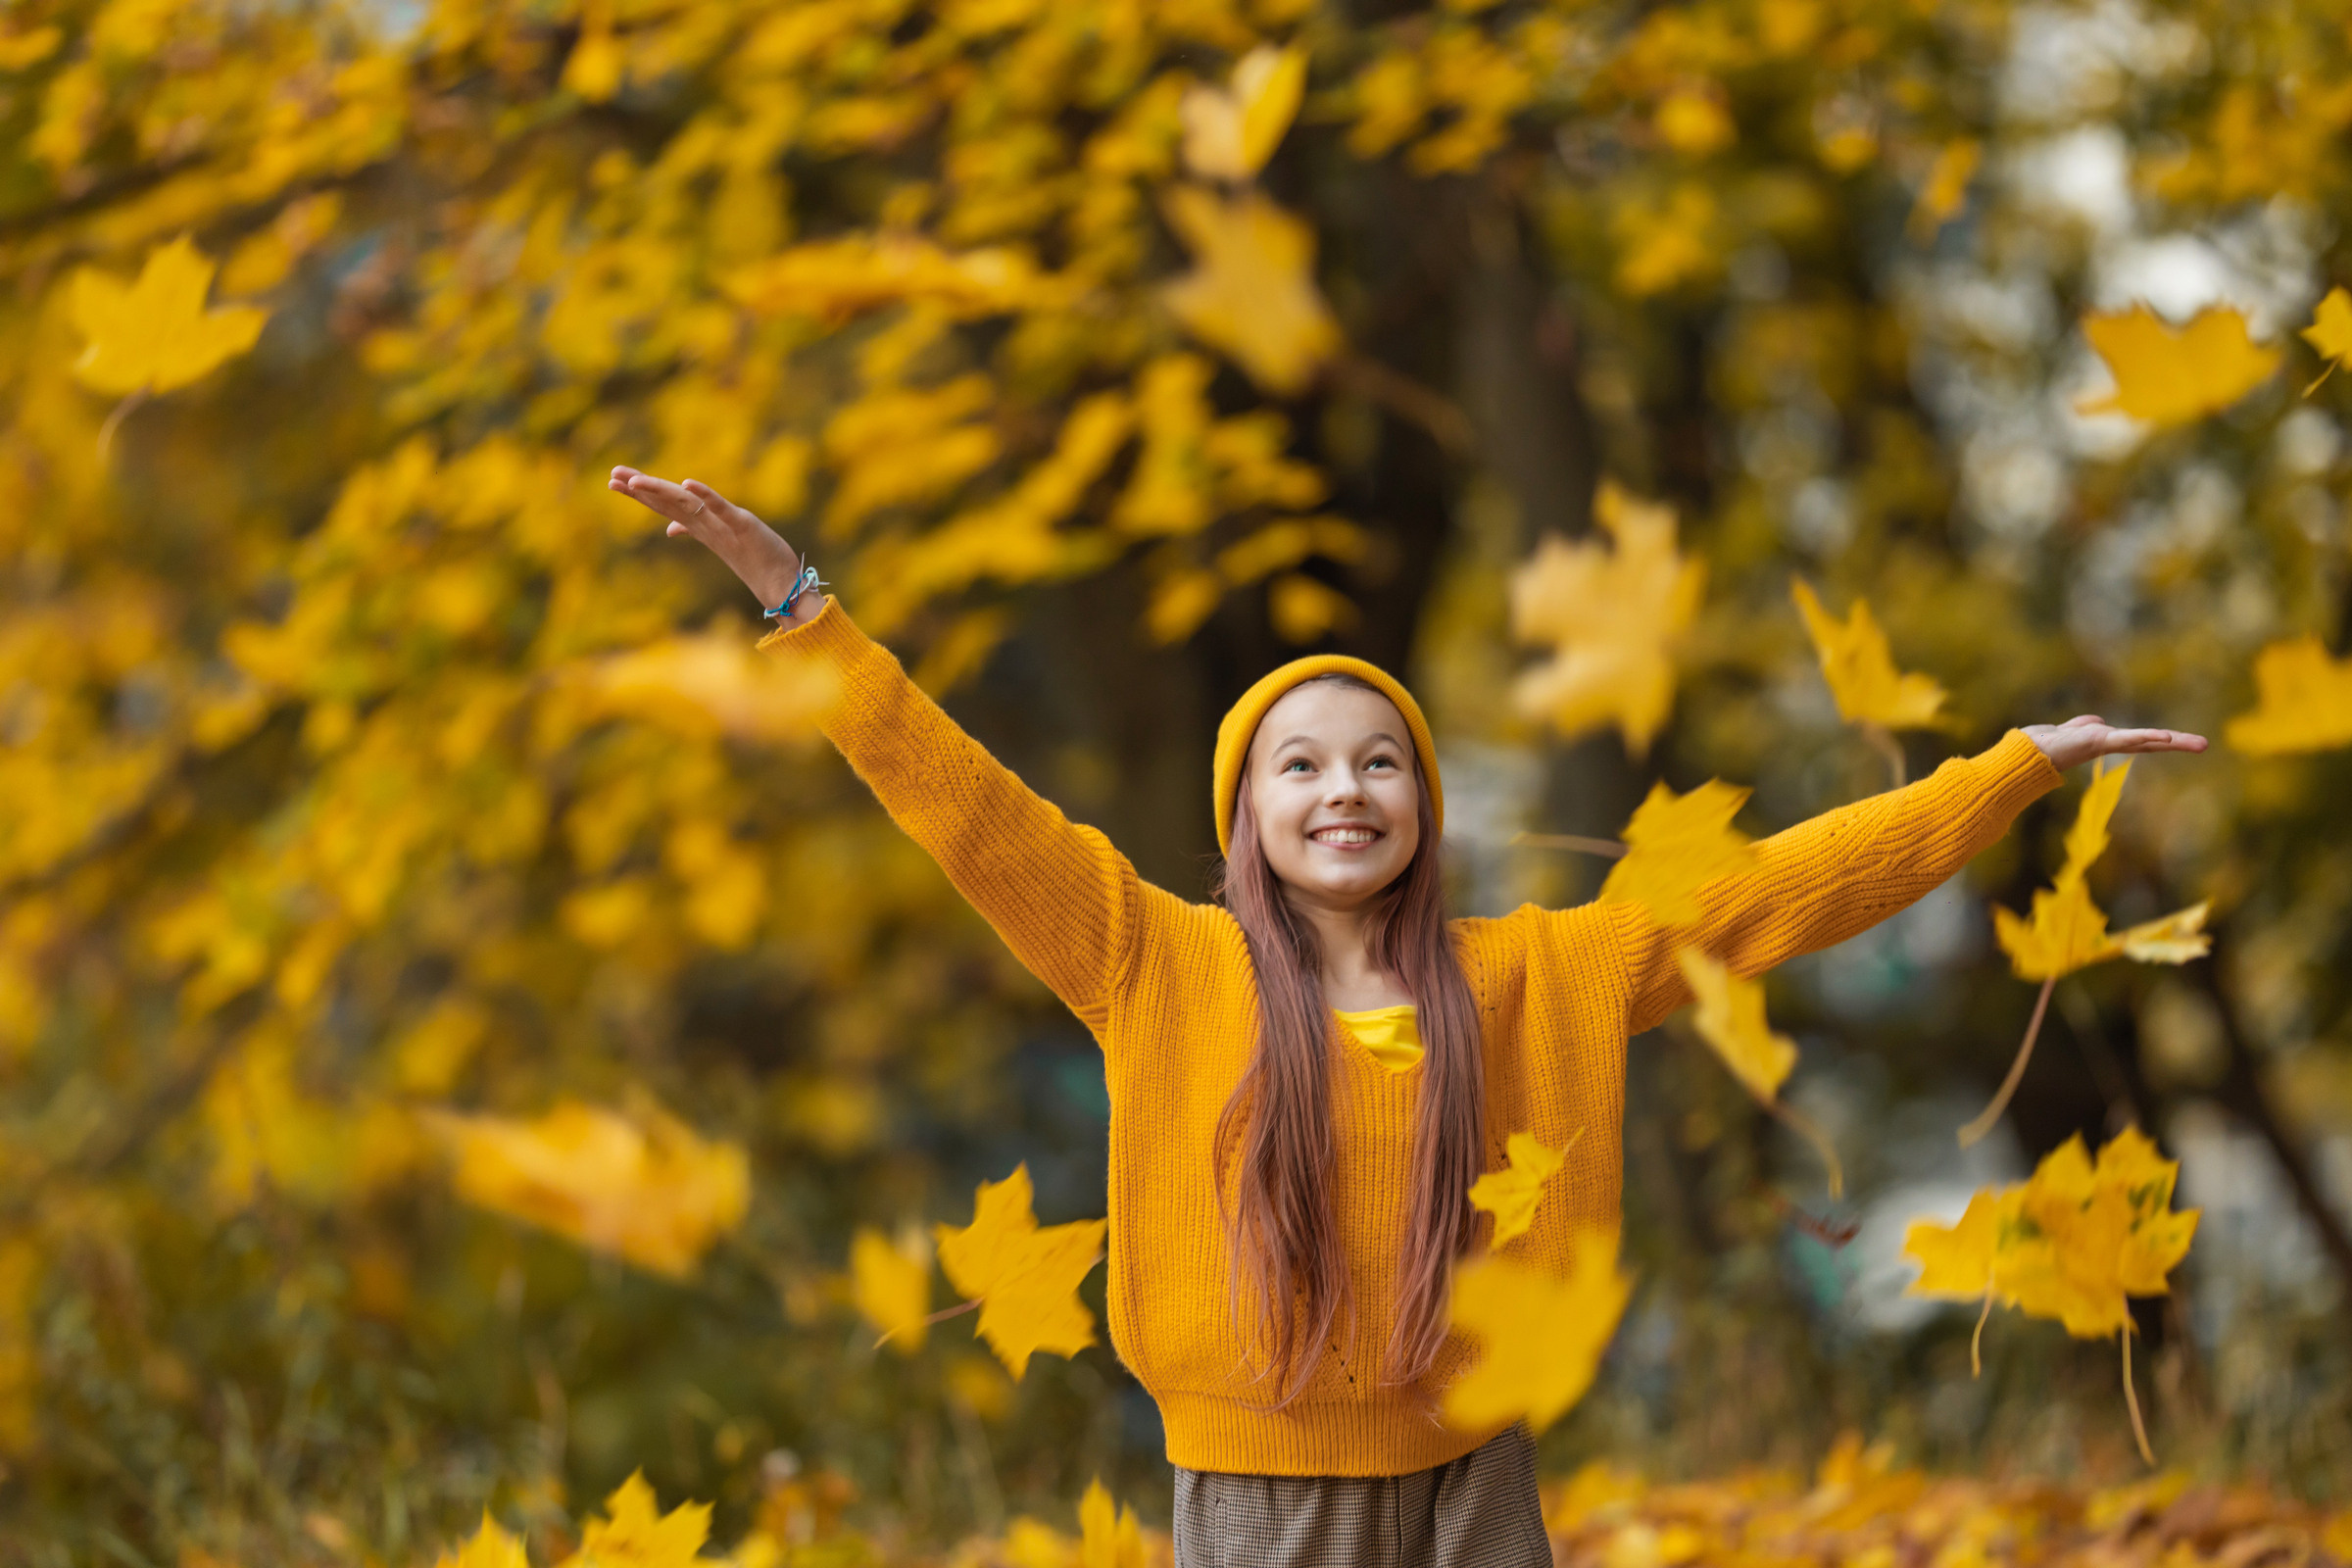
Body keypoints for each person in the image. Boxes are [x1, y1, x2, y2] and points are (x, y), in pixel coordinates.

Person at [609, 465, 2207, 1568]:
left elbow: (1773, 891)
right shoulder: (1149, 961)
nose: (1342, 791)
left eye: (1378, 760)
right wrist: (803, 610)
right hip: (1259, 1485)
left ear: (1424, 806)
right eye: (1297, 765)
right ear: (1248, 813)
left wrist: (2010, 770)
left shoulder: (1535, 977)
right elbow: (964, 806)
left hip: (1472, 1475)